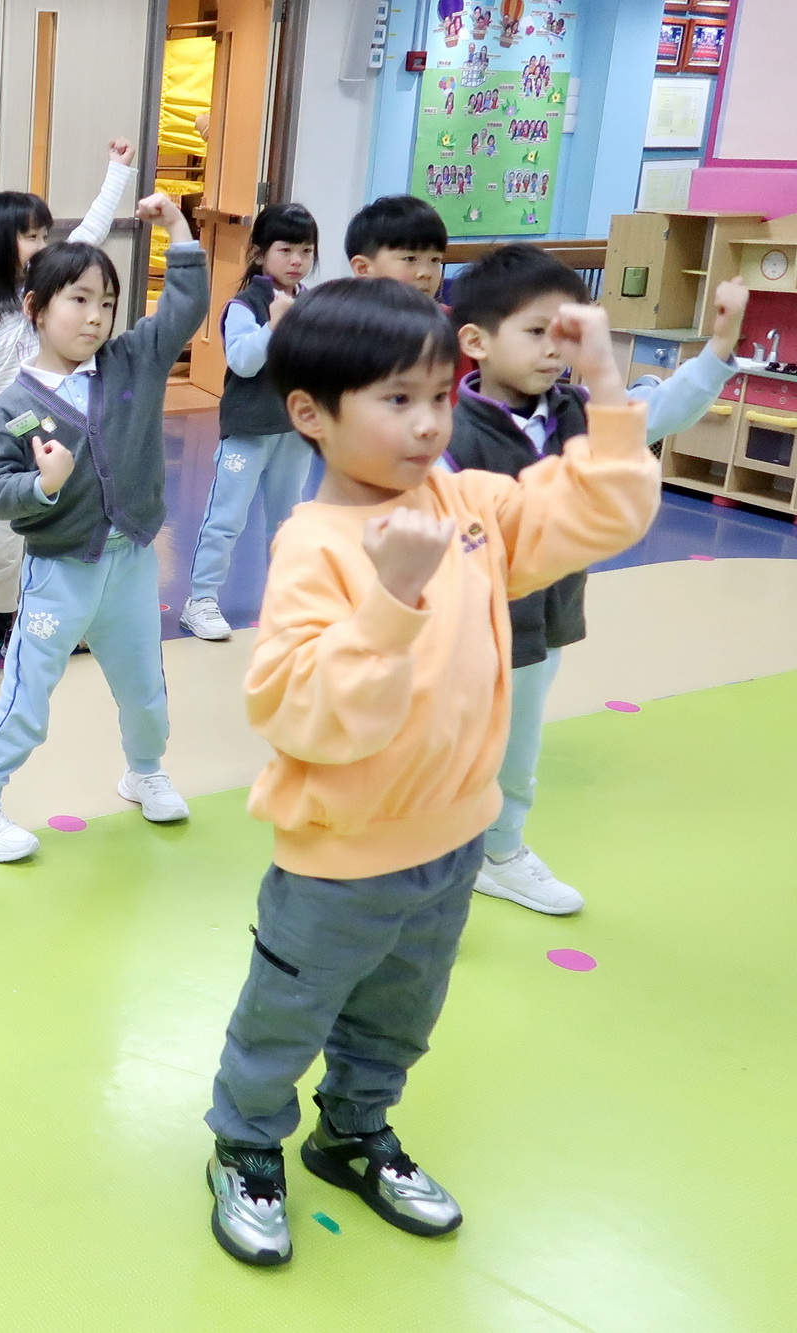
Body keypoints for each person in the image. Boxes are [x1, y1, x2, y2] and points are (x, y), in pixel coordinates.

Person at [203, 279, 659, 1267]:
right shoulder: (313, 546)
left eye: (439, 397)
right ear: (311, 414)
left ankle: (351, 1129)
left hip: (453, 839)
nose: (426, 424)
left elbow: (602, 514)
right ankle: (244, 1144)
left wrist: (605, 383)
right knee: (286, 1015)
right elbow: (302, 714)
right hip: (337, 861)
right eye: (395, 399)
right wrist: (391, 599)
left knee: (399, 1016)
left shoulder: (467, 503)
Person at [445, 244, 745, 914]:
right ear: (477, 341)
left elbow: (657, 412)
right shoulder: (447, 431)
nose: (554, 348)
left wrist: (719, 347)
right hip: (463, 631)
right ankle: (431, 857)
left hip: (542, 626)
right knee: (450, 750)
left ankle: (500, 853)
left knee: (517, 750)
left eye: (567, 332)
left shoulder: (577, 409)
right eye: (536, 331)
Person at [0, 193, 210, 863]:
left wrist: (178, 227)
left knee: (144, 687)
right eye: (79, 300)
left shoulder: (132, 362)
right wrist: (44, 486)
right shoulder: (15, 404)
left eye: (107, 303)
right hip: (60, 568)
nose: (95, 316)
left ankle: (144, 771)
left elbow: (185, 307)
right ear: (36, 308)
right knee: (28, 693)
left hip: (132, 559)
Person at [0, 139, 136, 683]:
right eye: (31, 236)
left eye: (44, 235)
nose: (43, 245)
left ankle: (37, 627)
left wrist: (117, 173)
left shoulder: (46, 300)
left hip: (60, 441)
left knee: (55, 543)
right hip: (5, 450)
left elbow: (89, 236)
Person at [180, 202, 318, 641]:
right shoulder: (245, 305)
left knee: (287, 519)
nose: (297, 260)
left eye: (306, 251)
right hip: (247, 432)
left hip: (293, 432)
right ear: (259, 253)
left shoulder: (310, 302)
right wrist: (274, 326)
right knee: (226, 518)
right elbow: (242, 362)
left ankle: (286, 600)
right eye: (286, 250)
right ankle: (201, 600)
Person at [344, 195, 449, 299]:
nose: (426, 273)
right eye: (410, 259)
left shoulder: (443, 310)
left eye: (435, 260)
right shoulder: (343, 309)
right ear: (363, 269)